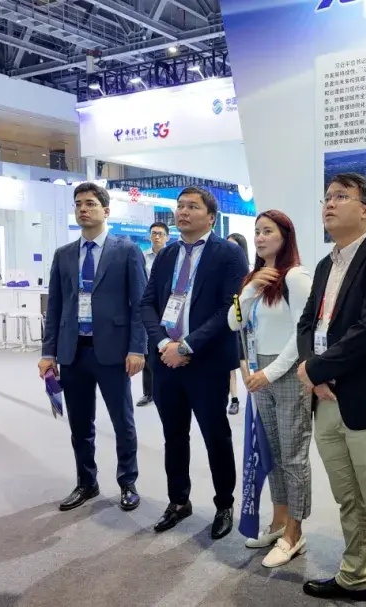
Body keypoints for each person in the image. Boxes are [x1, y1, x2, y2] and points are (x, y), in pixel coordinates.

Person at [297, 173, 366, 607]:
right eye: (326, 197)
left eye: (340, 196)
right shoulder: (325, 265)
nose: (329, 204)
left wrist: (319, 368)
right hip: (326, 398)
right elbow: (308, 323)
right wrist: (314, 372)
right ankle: (354, 577)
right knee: (348, 500)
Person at [140, 186, 250, 539]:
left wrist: (187, 346)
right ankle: (178, 502)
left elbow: (230, 308)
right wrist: (163, 344)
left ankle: (224, 504)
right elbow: (147, 304)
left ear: (211, 217)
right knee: (174, 436)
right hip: (165, 362)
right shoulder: (167, 254)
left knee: (216, 435)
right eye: (180, 206)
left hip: (207, 362)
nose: (183, 211)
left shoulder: (228, 254)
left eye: (192, 206)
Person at [39, 182, 148, 513]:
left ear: (106, 210)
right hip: (73, 352)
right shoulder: (63, 255)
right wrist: (48, 353)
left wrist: (138, 348)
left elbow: (140, 305)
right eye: (78, 204)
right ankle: (86, 482)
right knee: (80, 424)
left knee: (122, 422)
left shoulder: (126, 251)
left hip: (113, 351)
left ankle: (127, 482)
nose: (83, 209)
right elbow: (55, 307)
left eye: (89, 203)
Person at [227, 210, 313, 568]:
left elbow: (303, 331)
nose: (260, 238)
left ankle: (295, 532)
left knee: (294, 456)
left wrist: (271, 372)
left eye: (268, 231)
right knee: (273, 452)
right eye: (257, 231)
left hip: (287, 372)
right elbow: (234, 322)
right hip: (259, 372)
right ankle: (278, 522)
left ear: (285, 236)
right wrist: (249, 289)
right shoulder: (256, 278)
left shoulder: (296, 276)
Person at [139, 221, 170, 407]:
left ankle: (166, 389)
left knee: (168, 346)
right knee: (148, 349)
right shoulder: (142, 258)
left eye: (160, 233)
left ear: (167, 237)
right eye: (154, 233)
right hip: (148, 308)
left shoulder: (173, 256)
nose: (157, 237)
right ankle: (148, 392)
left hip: (169, 308)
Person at [227, 232, 251, 415]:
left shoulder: (247, 272)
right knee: (229, 364)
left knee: (243, 362)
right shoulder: (220, 268)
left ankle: (252, 395)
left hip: (242, 321)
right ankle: (234, 399)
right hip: (225, 320)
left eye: (233, 246)